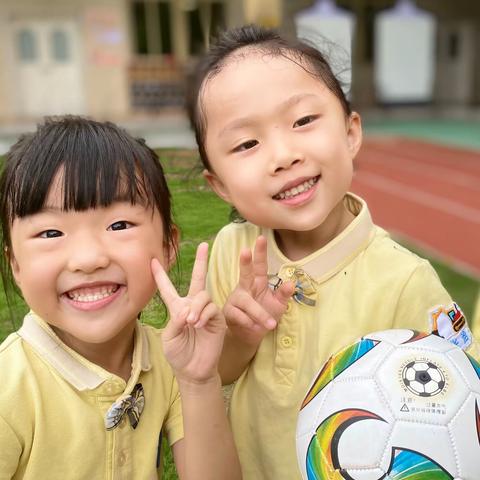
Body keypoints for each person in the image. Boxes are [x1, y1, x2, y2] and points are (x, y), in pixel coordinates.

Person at [185, 25, 479, 479]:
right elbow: (217, 373)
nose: (283, 155)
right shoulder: (234, 251)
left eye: (303, 121)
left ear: (350, 133)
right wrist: (240, 336)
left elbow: (457, 406)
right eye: (246, 143)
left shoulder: (404, 280)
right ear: (219, 185)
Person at [0, 117, 241, 480]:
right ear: (15, 264)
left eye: (119, 226)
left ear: (168, 245)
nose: (88, 258)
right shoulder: (9, 387)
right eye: (51, 232)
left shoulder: (171, 360)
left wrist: (198, 382)